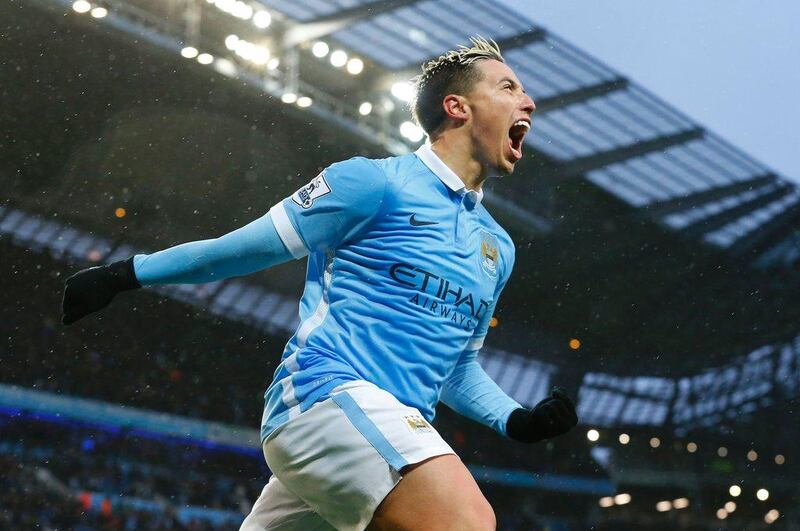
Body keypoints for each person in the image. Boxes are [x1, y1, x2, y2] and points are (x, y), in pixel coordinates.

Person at [62, 37, 578, 531]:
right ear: (457, 107)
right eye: (508, 87)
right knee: (464, 521)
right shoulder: (372, 183)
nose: (528, 101)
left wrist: (516, 420)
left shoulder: (497, 247)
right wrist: (122, 274)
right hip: (324, 399)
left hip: (379, 434)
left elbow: (455, 368)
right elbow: (244, 249)